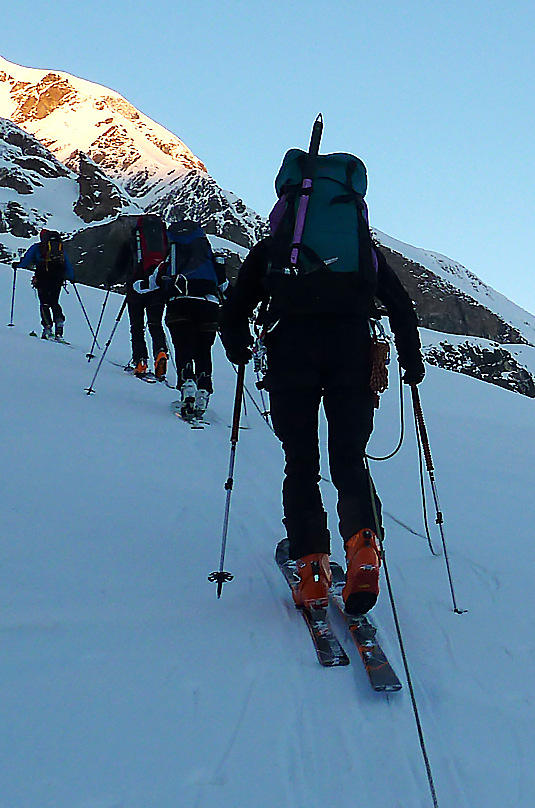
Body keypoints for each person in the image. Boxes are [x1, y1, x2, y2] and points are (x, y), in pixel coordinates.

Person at [220, 145, 423, 615]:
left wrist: (238, 348)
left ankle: (312, 570)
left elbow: (235, 309)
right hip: (353, 351)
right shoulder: (361, 250)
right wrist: (411, 362)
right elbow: (400, 305)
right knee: (349, 458)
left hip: (291, 352)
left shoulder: (274, 247)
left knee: (301, 462)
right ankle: (364, 548)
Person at [161, 221, 225, 418]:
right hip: (209, 305)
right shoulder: (208, 256)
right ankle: (203, 391)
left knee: (183, 347)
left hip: (179, 303)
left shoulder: (172, 252)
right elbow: (223, 285)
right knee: (203, 350)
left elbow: (156, 279)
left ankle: (187, 387)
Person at [113, 214, 169, 380]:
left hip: (136, 289)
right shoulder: (164, 241)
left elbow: (120, 265)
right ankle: (161, 353)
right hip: (157, 288)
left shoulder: (133, 240)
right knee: (155, 324)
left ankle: (140, 361)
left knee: (137, 327)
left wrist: (112, 279)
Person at [15, 229, 72, 341]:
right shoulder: (60, 249)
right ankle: (59, 326)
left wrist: (18, 265)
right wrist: (71, 277)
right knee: (54, 302)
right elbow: (67, 264)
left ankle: (47, 329)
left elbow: (26, 261)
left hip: (42, 278)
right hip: (57, 279)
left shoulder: (38, 248)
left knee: (44, 303)